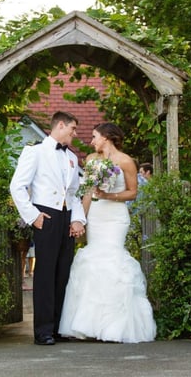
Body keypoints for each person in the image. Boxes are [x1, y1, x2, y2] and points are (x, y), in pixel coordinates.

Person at [59, 122, 156, 343]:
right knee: (93, 261)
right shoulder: (92, 160)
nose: (91, 141)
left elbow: (132, 193)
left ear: (107, 137)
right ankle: (90, 324)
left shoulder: (126, 161)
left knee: (113, 260)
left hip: (115, 216)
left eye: (94, 136)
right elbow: (86, 193)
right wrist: (80, 220)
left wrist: (108, 196)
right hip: (96, 215)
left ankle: (115, 325)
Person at [10, 111, 86, 346]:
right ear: (60, 125)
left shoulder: (72, 158)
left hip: (66, 218)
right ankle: (43, 331)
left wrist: (77, 220)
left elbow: (73, 194)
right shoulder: (35, 152)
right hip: (46, 216)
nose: (75, 133)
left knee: (63, 273)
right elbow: (17, 187)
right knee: (44, 274)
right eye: (73, 128)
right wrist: (33, 216)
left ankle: (57, 327)